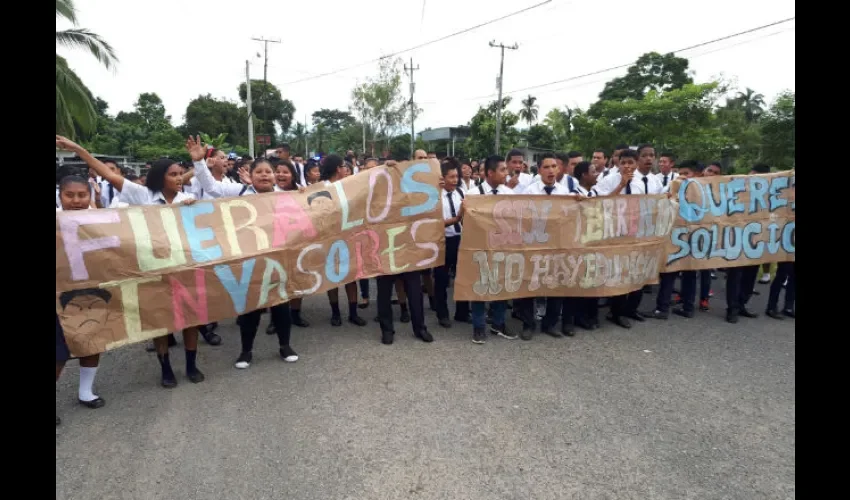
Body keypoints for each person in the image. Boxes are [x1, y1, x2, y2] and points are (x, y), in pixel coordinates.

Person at [56, 135, 206, 388]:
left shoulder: (187, 201)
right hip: (153, 269)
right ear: (160, 178)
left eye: (181, 174)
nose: (180, 179)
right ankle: (165, 367)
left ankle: (191, 364)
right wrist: (78, 150)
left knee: (192, 317)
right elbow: (107, 172)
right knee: (161, 320)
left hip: (184, 267)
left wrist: (195, 207)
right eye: (173, 174)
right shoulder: (142, 195)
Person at [186, 136, 300, 368]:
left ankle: (285, 345)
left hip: (278, 259)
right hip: (249, 261)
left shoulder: (287, 196)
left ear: (275, 175)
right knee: (251, 308)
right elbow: (211, 187)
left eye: (269, 172)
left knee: (281, 306)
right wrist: (199, 162)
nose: (265, 175)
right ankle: (246, 351)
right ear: (252, 174)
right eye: (260, 172)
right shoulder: (239, 192)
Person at [55, 176, 109, 425]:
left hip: (90, 292)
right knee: (59, 352)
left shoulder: (100, 221)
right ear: (60, 195)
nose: (76, 200)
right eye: (70, 195)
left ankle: (85, 392)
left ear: (89, 196)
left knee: (91, 341)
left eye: (81, 195)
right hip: (59, 296)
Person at [594, 145, 664, 328]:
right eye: (623, 162)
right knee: (619, 272)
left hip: (638, 233)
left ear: (636, 164)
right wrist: (621, 185)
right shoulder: (610, 180)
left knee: (637, 272)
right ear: (618, 163)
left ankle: (631, 309)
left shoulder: (642, 182)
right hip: (616, 233)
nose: (627, 166)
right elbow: (599, 203)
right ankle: (616, 312)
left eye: (630, 162)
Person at [466, 155, 517, 343]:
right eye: (502, 170)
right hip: (479, 248)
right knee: (479, 287)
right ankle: (478, 327)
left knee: (500, 285)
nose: (506, 173)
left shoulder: (510, 194)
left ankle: (499, 323)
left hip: (503, 247)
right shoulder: (473, 195)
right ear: (490, 173)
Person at [523, 153, 575, 340]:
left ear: (559, 169)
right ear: (539, 170)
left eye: (554, 166)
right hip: (535, 243)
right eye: (546, 167)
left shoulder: (565, 193)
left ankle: (550, 324)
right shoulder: (530, 192)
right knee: (531, 283)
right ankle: (528, 324)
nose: (551, 170)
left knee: (556, 284)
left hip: (557, 244)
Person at [319, 155, 367, 327]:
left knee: (351, 275)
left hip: (349, 236)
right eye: (343, 166)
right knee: (332, 276)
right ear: (337, 169)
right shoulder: (320, 188)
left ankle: (353, 313)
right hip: (329, 237)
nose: (346, 169)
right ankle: (335, 313)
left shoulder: (349, 185)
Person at [724, 164, 769, 323]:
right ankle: (732, 308)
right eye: (751, 175)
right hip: (737, 240)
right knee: (735, 276)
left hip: (756, 241)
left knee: (750, 276)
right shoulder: (738, 190)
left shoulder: (768, 195)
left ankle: (742, 304)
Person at [433, 158, 470, 328]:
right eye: (451, 177)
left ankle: (462, 312)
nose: (455, 180)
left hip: (460, 239)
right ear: (442, 178)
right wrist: (455, 219)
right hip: (443, 241)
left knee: (463, 277)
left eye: (456, 176)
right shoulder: (435, 196)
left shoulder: (461, 193)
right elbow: (433, 223)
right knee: (441, 279)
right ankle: (442, 314)